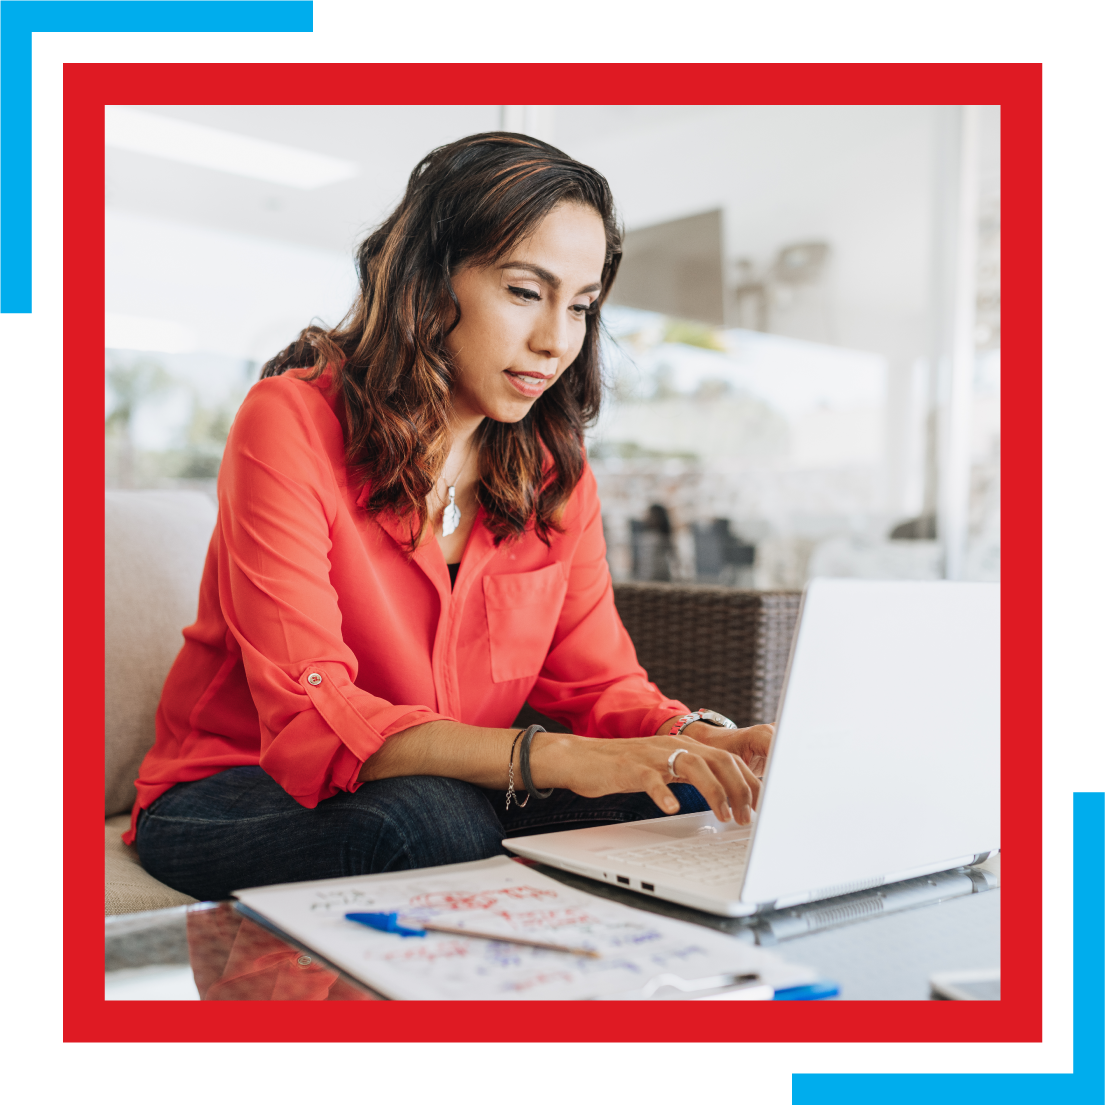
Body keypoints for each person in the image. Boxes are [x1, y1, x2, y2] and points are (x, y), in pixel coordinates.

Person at [128, 132, 774, 903]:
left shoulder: (552, 475)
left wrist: (694, 739)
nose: (555, 341)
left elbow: (601, 686)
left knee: (692, 794)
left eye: (581, 306)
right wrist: (558, 760)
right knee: (433, 820)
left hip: (456, 782)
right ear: (430, 282)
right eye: (524, 292)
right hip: (237, 789)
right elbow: (313, 715)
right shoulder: (289, 422)